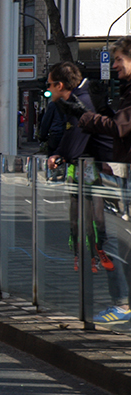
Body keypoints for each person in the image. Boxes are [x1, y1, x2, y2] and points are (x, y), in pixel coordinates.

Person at [48, 61, 125, 326]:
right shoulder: (81, 99)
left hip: (104, 177)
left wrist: (60, 157)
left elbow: (76, 142)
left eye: (50, 85)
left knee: (107, 236)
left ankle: (122, 302)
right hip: (100, 176)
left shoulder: (81, 102)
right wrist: (59, 152)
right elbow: (71, 140)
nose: (48, 90)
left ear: (60, 85)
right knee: (101, 236)